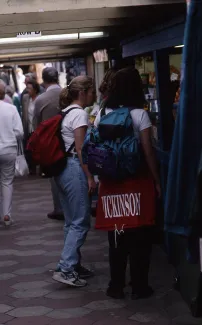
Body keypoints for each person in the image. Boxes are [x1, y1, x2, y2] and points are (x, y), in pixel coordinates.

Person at [94, 67, 161, 300]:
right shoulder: (139, 114)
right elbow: (148, 151)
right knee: (140, 235)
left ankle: (116, 286)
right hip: (137, 182)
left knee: (117, 235)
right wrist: (157, 181)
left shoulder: (103, 113)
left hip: (112, 184)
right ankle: (140, 286)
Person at [52, 76, 97, 287]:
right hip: (74, 169)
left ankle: (73, 264)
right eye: (91, 91)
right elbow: (81, 149)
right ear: (83, 93)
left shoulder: (66, 111)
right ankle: (66, 267)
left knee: (71, 221)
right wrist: (89, 176)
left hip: (62, 170)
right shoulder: (79, 114)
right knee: (80, 222)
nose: (94, 95)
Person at [33, 67, 63, 221]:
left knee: (54, 176)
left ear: (43, 81)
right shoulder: (67, 94)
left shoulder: (41, 99)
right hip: (69, 137)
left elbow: (36, 125)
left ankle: (59, 209)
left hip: (50, 142)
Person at [0, 80, 24, 226]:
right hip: (8, 149)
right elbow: (20, 132)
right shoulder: (11, 109)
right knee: (7, 181)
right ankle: (6, 215)